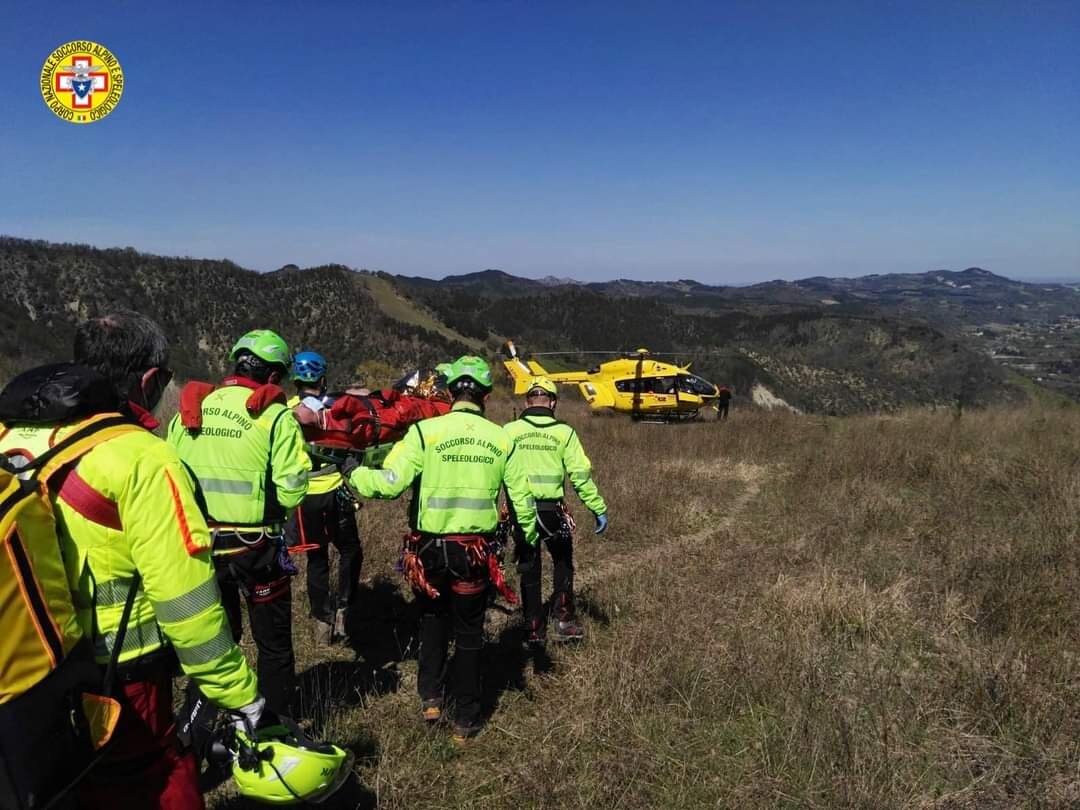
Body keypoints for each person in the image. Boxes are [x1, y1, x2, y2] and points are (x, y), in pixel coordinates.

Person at [0, 312, 265, 810]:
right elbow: (187, 606)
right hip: (119, 679)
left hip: (22, 671)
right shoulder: (143, 458)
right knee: (155, 778)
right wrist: (238, 694)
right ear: (150, 380)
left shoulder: (11, 435)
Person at [345, 355, 537, 742]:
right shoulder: (502, 440)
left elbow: (389, 483)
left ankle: (430, 698)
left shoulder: (424, 433)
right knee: (469, 634)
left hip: (428, 553)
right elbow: (522, 502)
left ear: (450, 391)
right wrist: (528, 542)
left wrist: (353, 472)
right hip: (474, 555)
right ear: (484, 395)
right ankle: (465, 720)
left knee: (431, 621)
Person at [168, 329, 310, 718]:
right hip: (255, 546)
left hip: (199, 547)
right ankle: (272, 728)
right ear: (273, 375)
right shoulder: (275, 416)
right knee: (273, 644)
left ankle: (198, 726)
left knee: (215, 643)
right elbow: (293, 490)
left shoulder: (189, 411)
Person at [504, 377, 608, 645]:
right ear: (553, 403)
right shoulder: (565, 432)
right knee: (562, 561)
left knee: (529, 566)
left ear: (527, 401)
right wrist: (597, 508)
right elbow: (580, 476)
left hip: (520, 511)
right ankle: (564, 620)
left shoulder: (509, 431)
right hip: (553, 512)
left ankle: (533, 628)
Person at [285, 351, 363, 645]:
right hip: (334, 489)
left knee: (316, 558)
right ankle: (344, 607)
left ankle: (322, 618)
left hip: (305, 495)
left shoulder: (287, 412)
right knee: (350, 551)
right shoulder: (335, 409)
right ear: (321, 378)